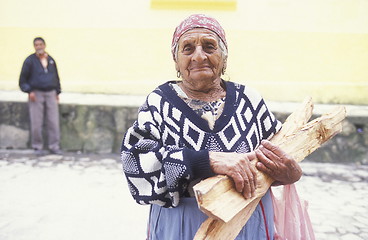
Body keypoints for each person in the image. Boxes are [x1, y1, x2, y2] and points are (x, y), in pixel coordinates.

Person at [121, 14, 302, 240]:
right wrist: (208, 161)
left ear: (224, 58)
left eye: (209, 47)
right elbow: (135, 167)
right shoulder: (159, 102)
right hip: (183, 228)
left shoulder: (250, 100)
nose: (199, 56)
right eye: (188, 49)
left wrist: (290, 174)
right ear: (176, 61)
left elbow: (274, 161)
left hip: (248, 224)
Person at [19, 37, 62, 155]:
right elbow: (22, 80)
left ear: (44, 45)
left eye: (41, 44)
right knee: (36, 122)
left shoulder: (51, 60)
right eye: (36, 45)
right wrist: (29, 91)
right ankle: (37, 146)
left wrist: (57, 92)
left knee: (53, 121)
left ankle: (54, 146)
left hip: (51, 93)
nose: (39, 47)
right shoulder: (29, 61)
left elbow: (56, 77)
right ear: (34, 47)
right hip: (36, 93)